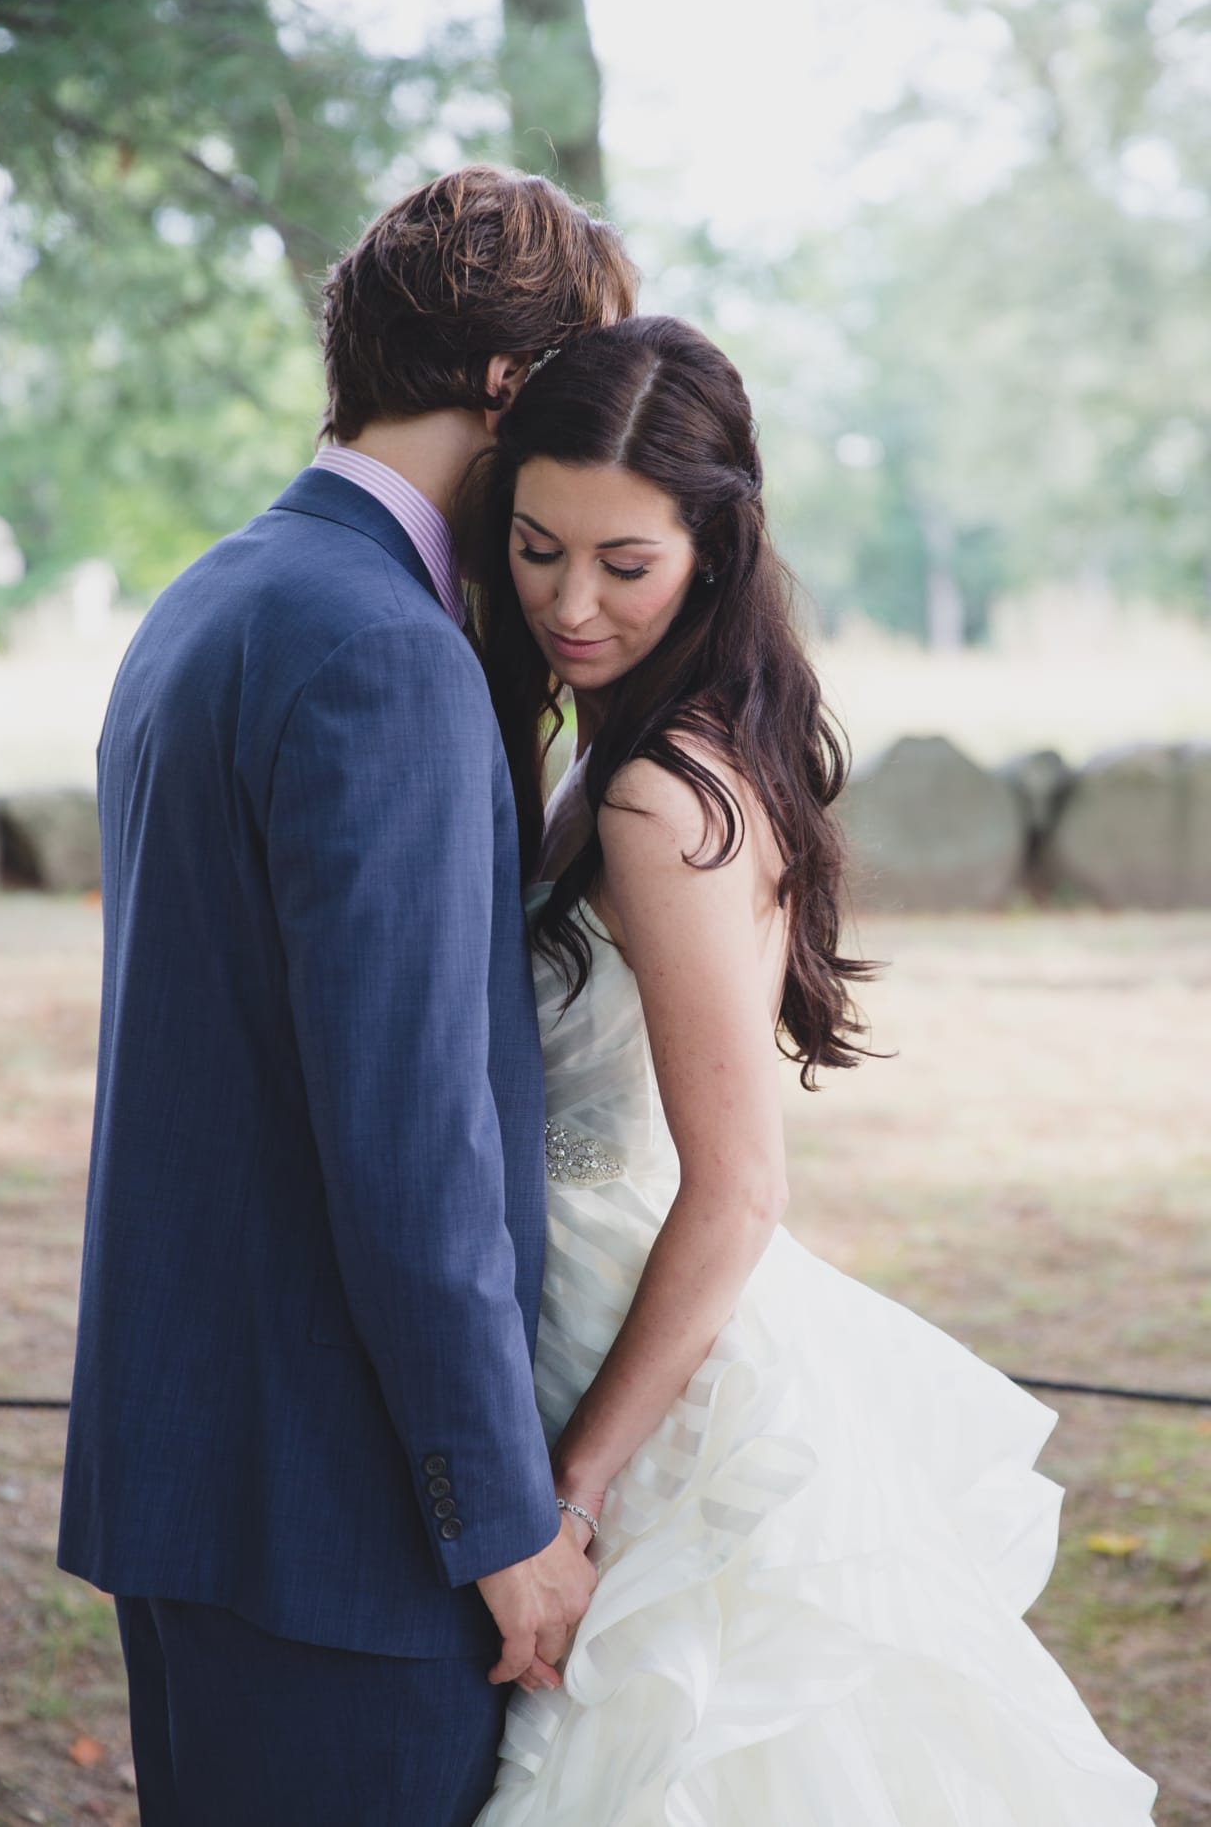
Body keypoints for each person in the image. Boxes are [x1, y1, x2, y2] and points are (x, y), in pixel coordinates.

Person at [460, 314, 1160, 1824]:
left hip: (648, 1373)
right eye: (535, 545)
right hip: (594, 1309)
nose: (569, 600)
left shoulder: (659, 792)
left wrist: (570, 1489)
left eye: (622, 565)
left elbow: (741, 1185)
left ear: (711, 547)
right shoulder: (645, 737)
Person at [56, 166, 637, 1826]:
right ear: (512, 387)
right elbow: (410, 1140)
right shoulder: (385, 648)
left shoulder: (216, 596)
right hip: (341, 1522)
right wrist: (500, 1520)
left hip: (196, 1476)